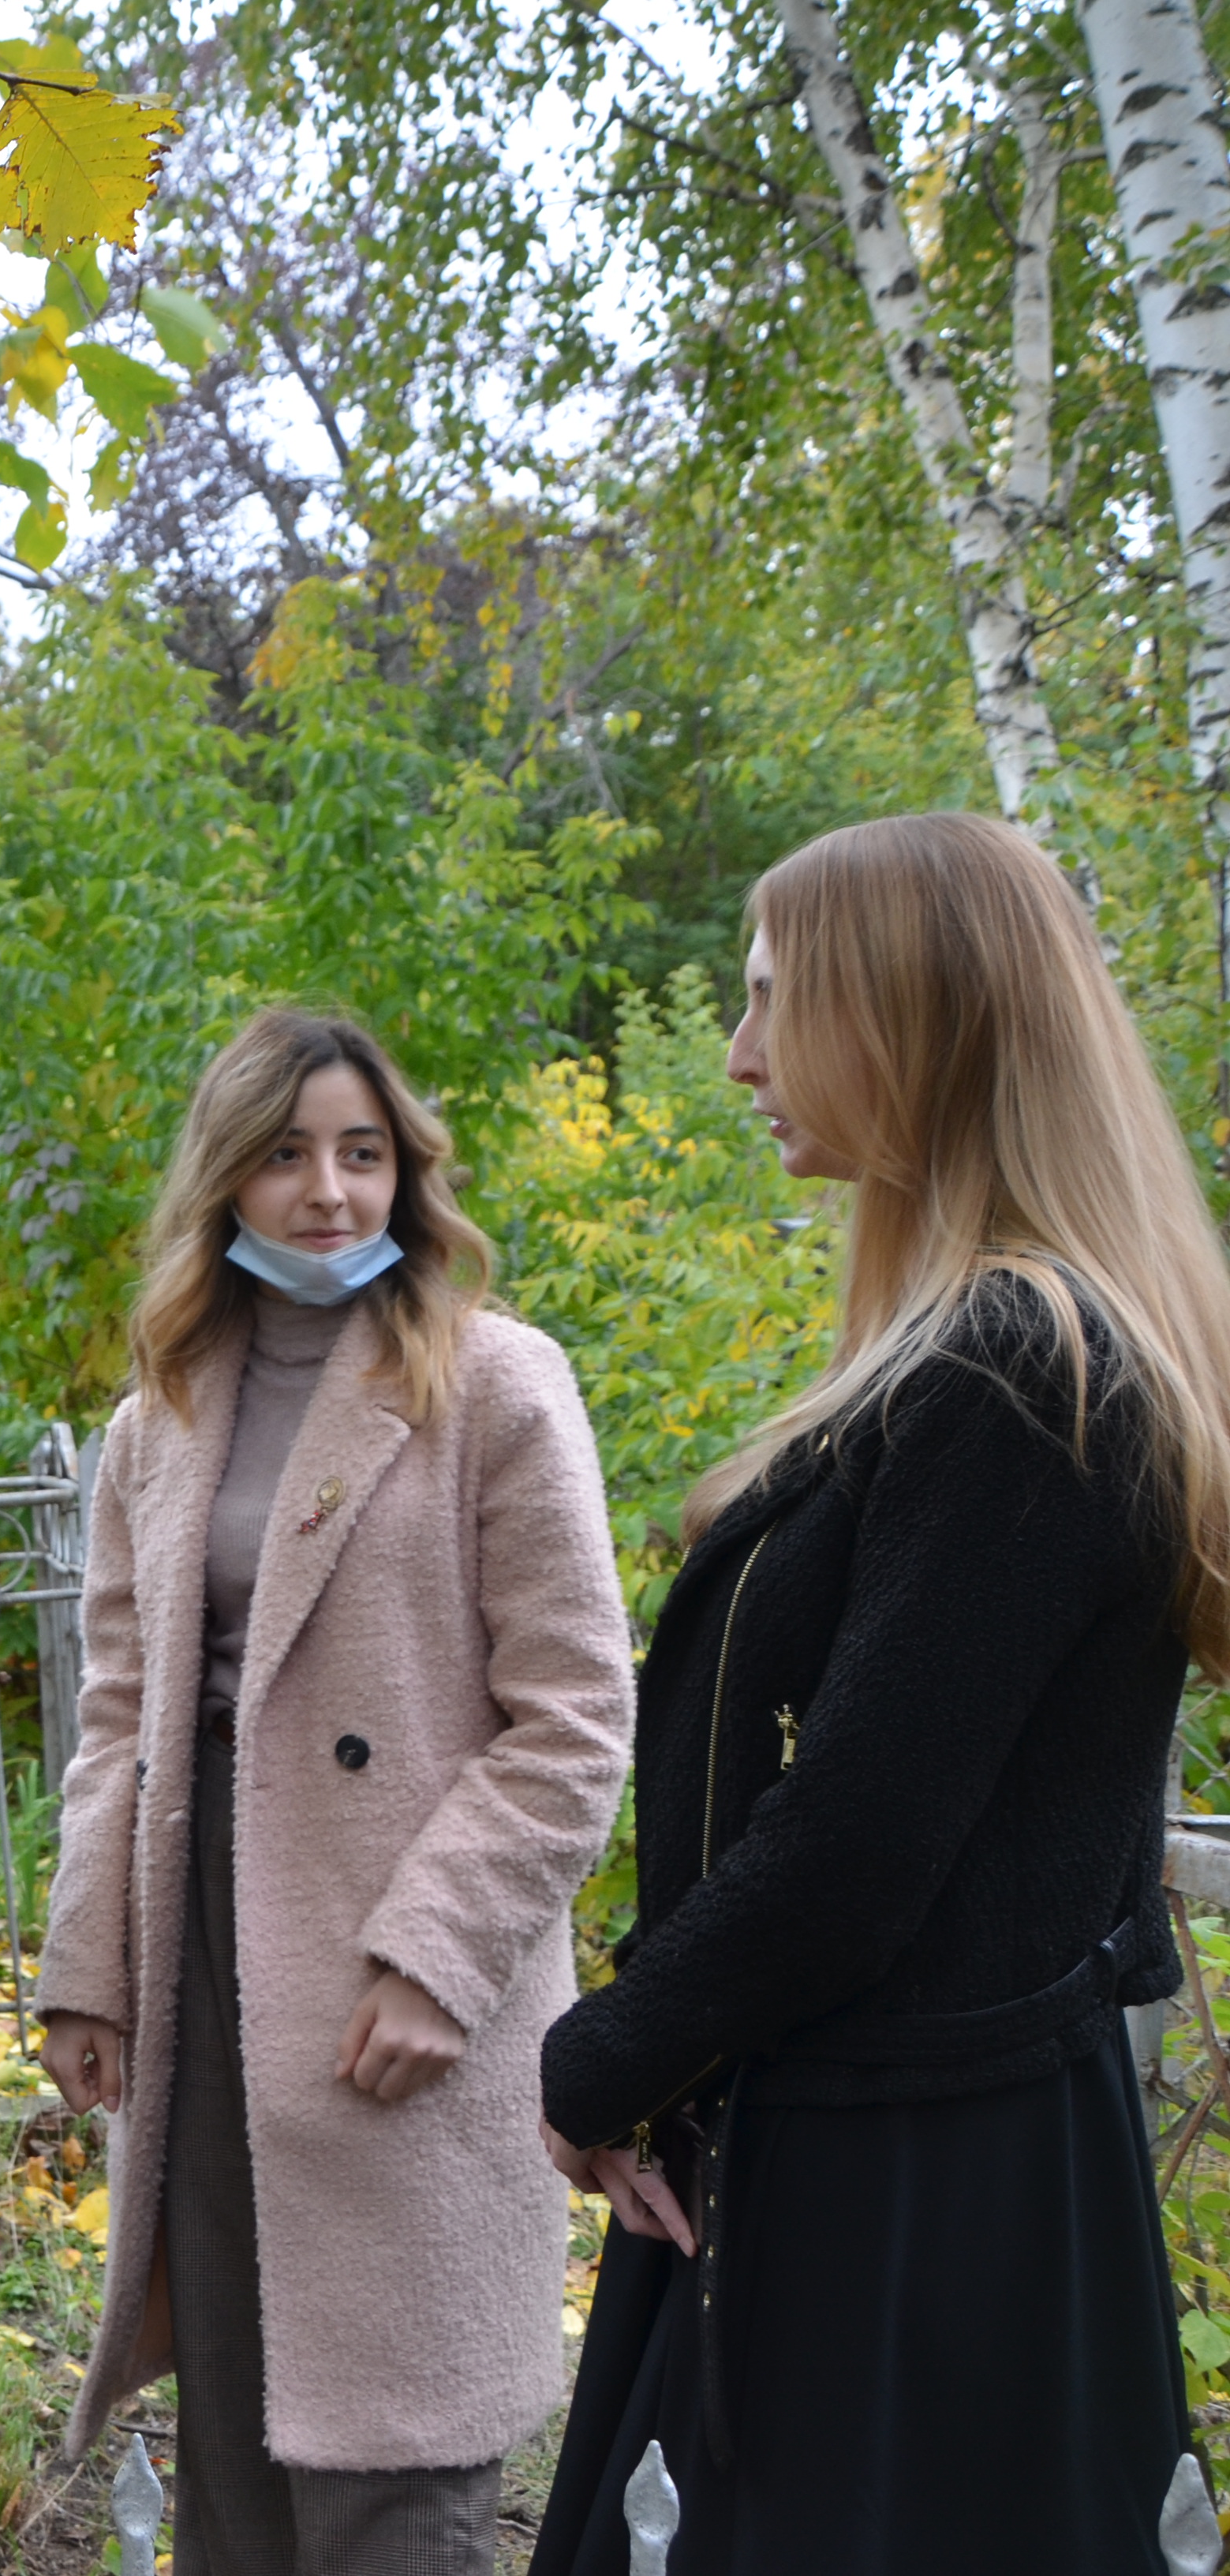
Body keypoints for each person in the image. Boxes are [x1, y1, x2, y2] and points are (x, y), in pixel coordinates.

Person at [531, 814, 1228, 2573]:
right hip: (885, 2153)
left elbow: (853, 1841)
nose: (740, 1053)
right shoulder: (991, 1349)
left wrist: (598, 2061)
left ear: (916, 1014)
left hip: (912, 2189)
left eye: (777, 998)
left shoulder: (1021, 1371)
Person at [37, 1009, 636, 2576]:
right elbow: (119, 1712)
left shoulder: (493, 1382)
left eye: (362, 1154)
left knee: (393, 2459)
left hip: (392, 1946)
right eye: (289, 1155)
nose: (328, 1192)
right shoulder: (162, 1415)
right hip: (203, 1948)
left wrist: (439, 1955)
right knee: (236, 2444)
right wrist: (88, 1962)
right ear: (226, 1177)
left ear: (406, 1173)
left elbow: (576, 1715)